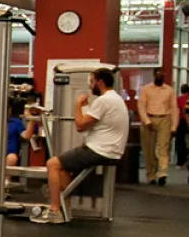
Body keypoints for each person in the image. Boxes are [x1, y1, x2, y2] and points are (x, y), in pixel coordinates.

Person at [30, 68, 128, 224]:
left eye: (91, 82)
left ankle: (54, 210)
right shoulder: (115, 99)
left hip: (100, 150)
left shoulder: (103, 101)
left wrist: (77, 104)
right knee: (63, 167)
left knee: (52, 164)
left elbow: (80, 125)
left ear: (100, 82)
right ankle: (64, 208)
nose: (90, 86)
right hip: (110, 149)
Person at [138, 70, 176, 185]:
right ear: (154, 76)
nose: (160, 76)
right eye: (158, 74)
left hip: (164, 119)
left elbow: (174, 108)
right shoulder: (146, 89)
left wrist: (174, 126)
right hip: (149, 118)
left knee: (163, 147)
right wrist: (146, 120)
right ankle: (151, 174)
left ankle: (162, 173)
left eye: (162, 75)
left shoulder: (169, 90)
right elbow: (141, 106)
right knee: (148, 149)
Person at [174, 83, 189, 168]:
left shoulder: (179, 99)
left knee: (179, 142)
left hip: (182, 121)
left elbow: (177, 110)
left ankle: (180, 162)